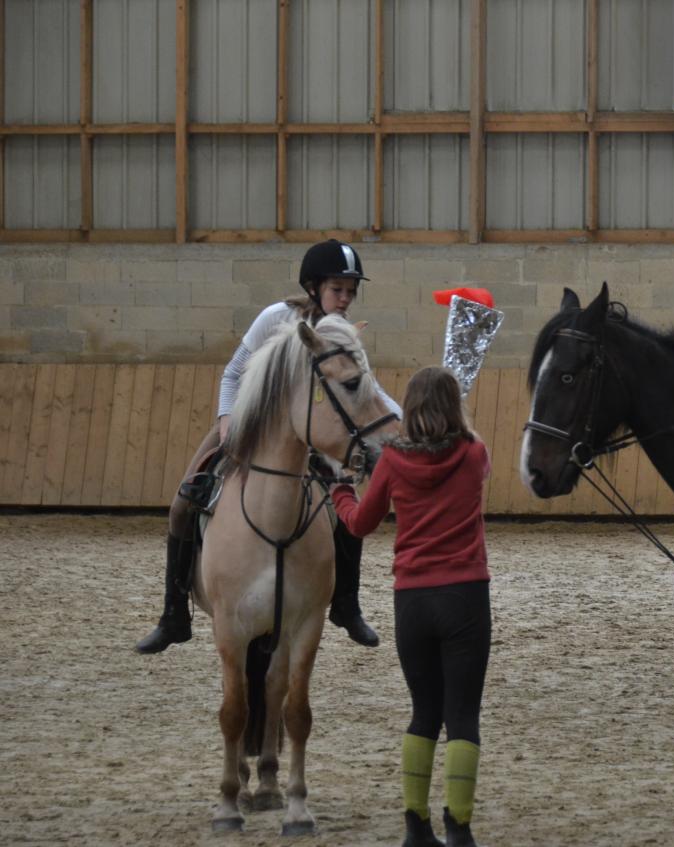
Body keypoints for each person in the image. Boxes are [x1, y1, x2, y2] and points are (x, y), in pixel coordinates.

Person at [134, 239, 402, 654]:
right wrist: (227, 421)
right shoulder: (275, 317)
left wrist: (402, 421)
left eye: (351, 291)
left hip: (315, 430)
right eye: (338, 289)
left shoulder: (343, 332)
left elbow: (368, 390)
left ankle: (346, 603)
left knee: (345, 506)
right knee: (184, 501)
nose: (346, 298)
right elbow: (232, 373)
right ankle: (174, 613)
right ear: (313, 287)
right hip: (250, 421)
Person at [330, 367, 491, 847]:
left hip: (413, 600)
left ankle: (415, 826)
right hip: (465, 595)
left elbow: (359, 525)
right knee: (463, 716)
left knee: (424, 712)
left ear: (410, 409)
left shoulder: (394, 463)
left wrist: (341, 491)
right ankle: (459, 828)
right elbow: (475, 446)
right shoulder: (473, 453)